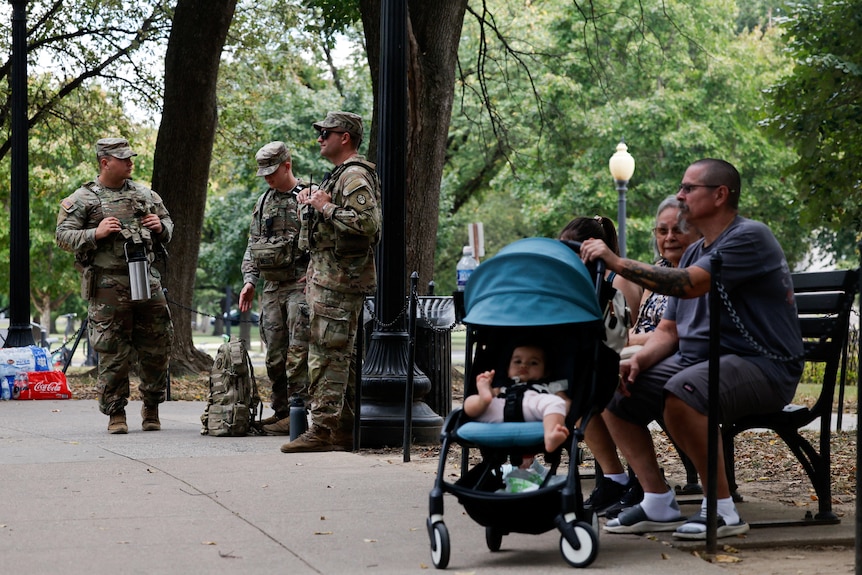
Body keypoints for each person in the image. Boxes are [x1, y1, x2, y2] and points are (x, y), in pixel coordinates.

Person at [579, 158, 803, 540]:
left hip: (763, 367)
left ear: (720, 195)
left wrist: (617, 261)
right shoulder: (697, 249)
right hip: (699, 362)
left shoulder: (750, 237)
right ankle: (656, 500)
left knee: (683, 393)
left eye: (688, 188)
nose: (680, 195)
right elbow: (668, 330)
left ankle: (723, 509)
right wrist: (637, 363)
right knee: (611, 387)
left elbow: (689, 284)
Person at [56, 137, 174, 434]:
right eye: (123, 158)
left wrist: (160, 228)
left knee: (156, 347)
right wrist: (95, 233)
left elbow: (168, 225)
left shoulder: (145, 194)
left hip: (145, 280)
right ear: (105, 162)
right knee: (112, 351)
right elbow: (62, 236)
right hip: (107, 286)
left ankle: (151, 407)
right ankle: (116, 413)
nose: (130, 162)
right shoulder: (83, 199)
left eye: (130, 157)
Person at [281, 111, 381, 453]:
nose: (320, 137)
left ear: (346, 138)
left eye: (327, 132)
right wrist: (312, 204)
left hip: (340, 283)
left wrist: (326, 208)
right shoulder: (338, 176)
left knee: (327, 356)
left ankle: (322, 430)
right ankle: (342, 430)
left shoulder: (353, 176)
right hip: (328, 279)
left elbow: (369, 226)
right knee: (339, 357)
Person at [600, 198, 702, 519]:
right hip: (648, 350)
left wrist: (625, 342)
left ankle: (645, 488)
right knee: (582, 375)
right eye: (662, 230)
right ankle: (617, 478)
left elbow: (676, 332)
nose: (669, 236)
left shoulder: (695, 273)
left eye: (678, 229)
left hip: (680, 359)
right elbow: (644, 324)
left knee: (604, 377)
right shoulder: (660, 271)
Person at [558, 215, 642, 515]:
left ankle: (636, 479)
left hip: (627, 352)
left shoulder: (618, 277)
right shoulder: (580, 280)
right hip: (605, 354)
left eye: (573, 252)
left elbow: (623, 332)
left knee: (597, 385)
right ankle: (613, 477)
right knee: (576, 390)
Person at [239, 141, 311, 435]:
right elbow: (253, 245)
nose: (268, 177)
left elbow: (323, 240)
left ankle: (298, 413)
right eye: (264, 173)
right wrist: (249, 280)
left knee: (298, 352)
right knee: (274, 354)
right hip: (272, 288)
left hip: (299, 285)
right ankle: (281, 411)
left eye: (272, 171)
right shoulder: (264, 201)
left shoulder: (307, 196)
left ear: (287, 165)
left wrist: (315, 272)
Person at [464, 344, 571, 453]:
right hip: (501, 408)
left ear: (546, 371)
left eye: (533, 363)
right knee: (471, 401)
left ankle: (551, 434)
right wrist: (488, 390)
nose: (524, 365)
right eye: (518, 362)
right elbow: (494, 395)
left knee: (556, 402)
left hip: (533, 408)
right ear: (508, 368)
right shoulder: (503, 385)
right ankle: (483, 399)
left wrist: (561, 413)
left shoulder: (550, 385)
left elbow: (564, 401)